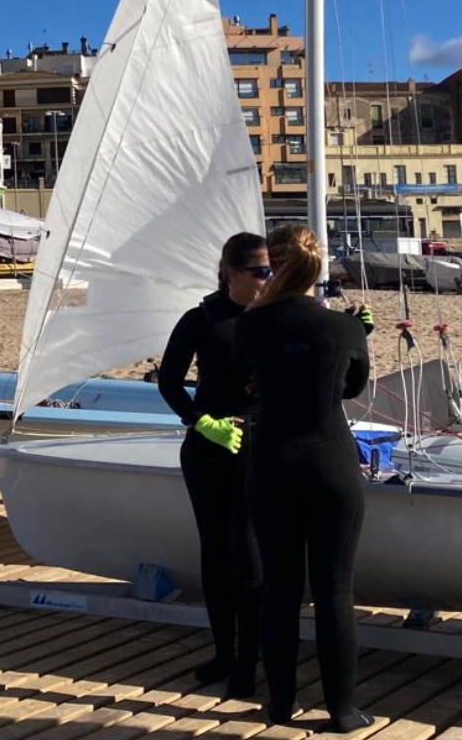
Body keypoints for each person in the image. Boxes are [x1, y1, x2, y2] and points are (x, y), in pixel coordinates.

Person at [236, 224, 372, 732]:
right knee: (335, 590)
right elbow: (351, 386)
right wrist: (356, 336)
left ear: (275, 264)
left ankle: (279, 705)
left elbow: (242, 383)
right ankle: (342, 710)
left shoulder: (250, 325)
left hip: (272, 462)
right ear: (318, 270)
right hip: (330, 461)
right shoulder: (345, 328)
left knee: (281, 589)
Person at [155, 230, 269, 699]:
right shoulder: (201, 318)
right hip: (207, 449)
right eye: (261, 271)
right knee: (215, 556)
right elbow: (169, 382)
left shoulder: (274, 317)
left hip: (257, 446)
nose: (269, 278)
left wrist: (352, 334)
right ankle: (224, 652)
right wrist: (201, 422)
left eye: (273, 271)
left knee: (248, 557)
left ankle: (248, 660)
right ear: (233, 274)